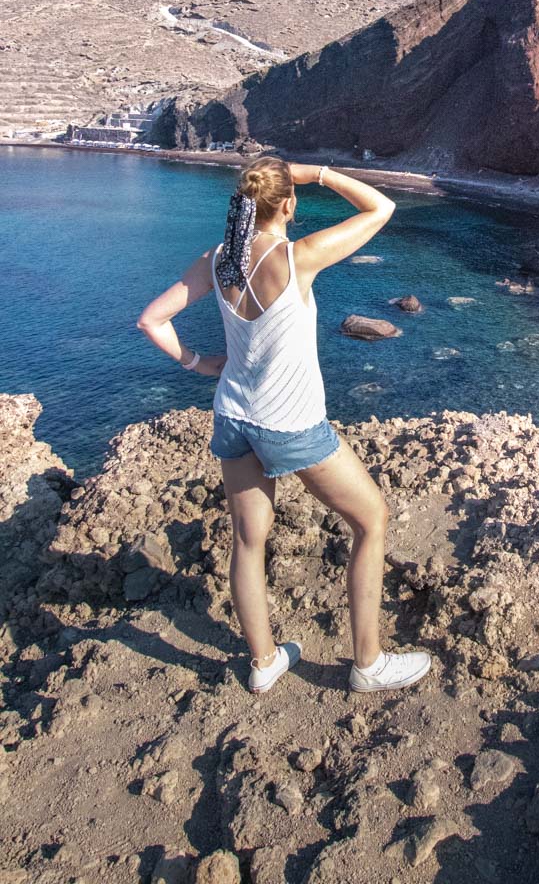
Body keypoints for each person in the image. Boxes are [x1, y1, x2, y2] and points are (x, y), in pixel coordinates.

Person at [136, 154, 432, 696]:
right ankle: (368, 664)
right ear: (289, 205)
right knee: (372, 520)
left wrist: (199, 364)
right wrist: (316, 172)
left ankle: (265, 661)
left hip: (233, 418)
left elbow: (151, 320)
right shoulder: (301, 257)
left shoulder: (219, 258)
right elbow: (381, 206)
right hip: (291, 424)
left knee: (249, 543)